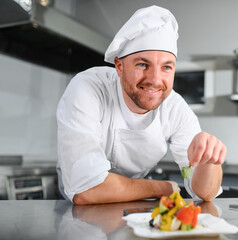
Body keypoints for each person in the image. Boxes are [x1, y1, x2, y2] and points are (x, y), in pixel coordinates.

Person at [56, 5, 226, 204]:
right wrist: (162, 187)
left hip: (136, 202)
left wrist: (209, 163)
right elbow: (86, 190)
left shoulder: (176, 110)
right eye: (143, 65)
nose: (155, 79)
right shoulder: (89, 88)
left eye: (166, 67)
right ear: (119, 66)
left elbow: (204, 193)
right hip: (78, 213)